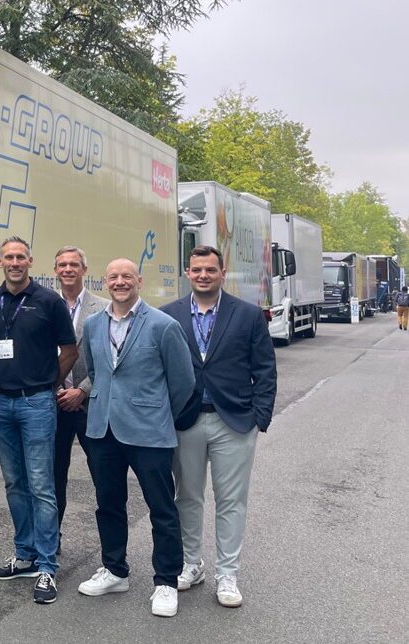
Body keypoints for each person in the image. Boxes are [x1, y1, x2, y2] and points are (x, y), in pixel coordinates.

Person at [76, 259, 195, 618]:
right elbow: (95, 372)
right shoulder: (93, 324)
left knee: (161, 507)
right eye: (113, 277)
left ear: (139, 281)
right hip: (103, 429)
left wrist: (157, 412)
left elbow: (183, 381)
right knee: (108, 504)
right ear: (105, 282)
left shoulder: (163, 325)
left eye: (127, 276)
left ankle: (167, 580)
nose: (120, 282)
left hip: (149, 431)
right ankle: (115, 570)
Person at [163, 245, 277, 608]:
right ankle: (191, 564)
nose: (203, 275)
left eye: (210, 270)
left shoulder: (247, 314)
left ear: (222, 273)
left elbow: (265, 368)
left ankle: (227, 574)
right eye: (197, 270)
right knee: (187, 497)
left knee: (231, 501)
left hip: (235, 421)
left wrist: (260, 417)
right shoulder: (169, 315)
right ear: (187, 273)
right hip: (185, 421)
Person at [0, 236, 76, 604]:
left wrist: (48, 383)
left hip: (36, 402)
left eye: (21, 257)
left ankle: (47, 566)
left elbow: (69, 350)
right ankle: (24, 554)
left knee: (41, 485)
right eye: (9, 257)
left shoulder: (49, 301)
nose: (15, 262)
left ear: (30, 261)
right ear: (0, 262)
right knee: (14, 483)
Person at [51, 246, 109, 543]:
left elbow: (110, 359)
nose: (68, 269)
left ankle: (111, 548)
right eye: (62, 265)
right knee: (52, 478)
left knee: (103, 475)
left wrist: (82, 390)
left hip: (91, 404)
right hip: (54, 403)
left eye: (74, 264)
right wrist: (57, 388)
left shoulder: (104, 307)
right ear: (55, 270)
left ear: (84, 269)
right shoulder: (46, 305)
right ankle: (51, 540)